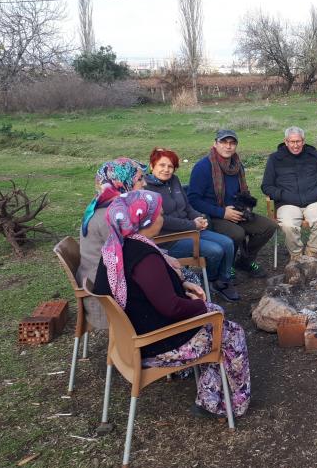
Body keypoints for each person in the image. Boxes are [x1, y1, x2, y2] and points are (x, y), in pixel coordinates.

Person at [92, 190, 251, 419]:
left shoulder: (117, 247)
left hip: (131, 336)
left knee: (218, 317)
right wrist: (199, 305)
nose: (163, 219)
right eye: (160, 215)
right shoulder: (144, 257)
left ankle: (210, 393)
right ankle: (228, 403)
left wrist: (183, 284)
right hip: (155, 344)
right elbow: (172, 308)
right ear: (146, 220)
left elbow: (149, 290)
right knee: (231, 332)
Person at [144, 147, 240, 302]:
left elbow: (187, 206)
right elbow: (162, 220)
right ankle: (212, 278)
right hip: (169, 239)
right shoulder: (146, 189)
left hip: (191, 229)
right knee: (215, 251)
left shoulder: (173, 181)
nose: (166, 170)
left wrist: (199, 218)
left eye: (170, 166)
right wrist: (191, 224)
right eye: (162, 165)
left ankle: (223, 280)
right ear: (152, 165)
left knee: (228, 243)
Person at [187, 129, 277, 279]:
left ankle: (244, 261)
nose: (228, 146)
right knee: (237, 233)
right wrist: (223, 212)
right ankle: (226, 265)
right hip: (212, 215)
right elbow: (193, 200)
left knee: (269, 226)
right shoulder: (203, 167)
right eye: (223, 142)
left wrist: (245, 208)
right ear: (215, 144)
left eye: (232, 143)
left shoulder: (237, 166)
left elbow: (244, 191)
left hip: (237, 212)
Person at [77, 158, 146, 329]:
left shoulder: (107, 206)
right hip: (106, 301)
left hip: (108, 286)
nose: (145, 183)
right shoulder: (111, 217)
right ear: (122, 183)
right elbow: (135, 257)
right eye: (139, 179)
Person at [260, 126, 317, 260]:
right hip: (286, 203)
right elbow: (266, 186)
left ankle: (312, 252)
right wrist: (283, 195)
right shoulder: (275, 158)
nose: (295, 145)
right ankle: (296, 255)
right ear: (286, 141)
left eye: (298, 141)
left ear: (303, 141)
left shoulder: (314, 156)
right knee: (288, 225)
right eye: (292, 142)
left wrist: (315, 193)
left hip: (312, 202)